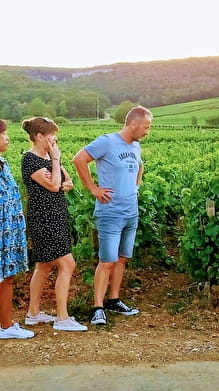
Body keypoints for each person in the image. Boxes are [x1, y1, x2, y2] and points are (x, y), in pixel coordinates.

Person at [72, 105, 152, 325]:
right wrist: (93, 189)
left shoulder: (136, 146)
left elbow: (139, 167)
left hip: (130, 212)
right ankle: (97, 307)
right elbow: (79, 159)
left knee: (122, 258)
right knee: (107, 260)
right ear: (133, 124)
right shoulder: (106, 142)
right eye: (146, 127)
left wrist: (136, 187)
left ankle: (114, 300)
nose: (147, 131)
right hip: (110, 212)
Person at [21, 117, 87, 332]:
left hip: (56, 215)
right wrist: (56, 163)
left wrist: (57, 175)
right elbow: (55, 184)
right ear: (39, 136)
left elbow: (68, 183)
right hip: (44, 218)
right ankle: (62, 318)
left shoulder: (49, 158)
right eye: (51, 136)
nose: (55, 139)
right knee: (67, 264)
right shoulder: (30, 159)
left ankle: (33, 313)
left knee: (45, 265)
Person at [0, 120, 34, 339]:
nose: (6, 137)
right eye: (2, 134)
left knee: (6, 278)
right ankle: (5, 326)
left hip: (8, 231)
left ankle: (5, 325)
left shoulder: (2, 162)